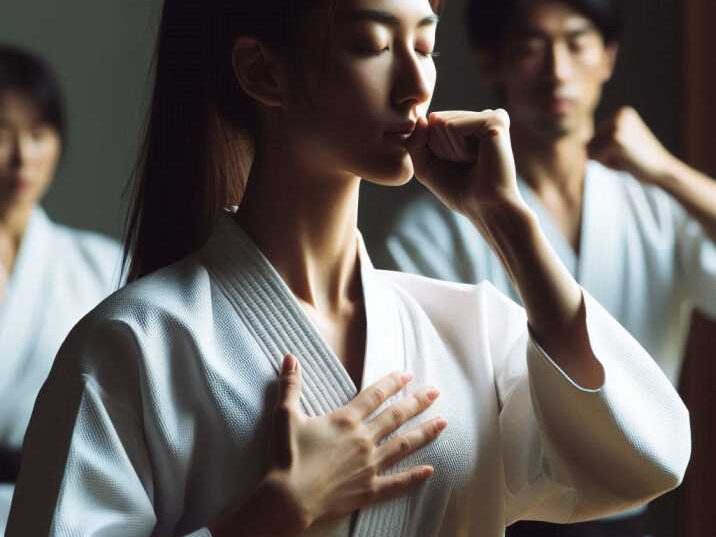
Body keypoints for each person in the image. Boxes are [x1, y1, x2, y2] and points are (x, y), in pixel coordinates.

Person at [7, 1, 690, 536]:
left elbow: (648, 460)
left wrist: (509, 225)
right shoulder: (136, 342)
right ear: (263, 72)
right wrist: (266, 518)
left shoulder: (470, 329)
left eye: (425, 43)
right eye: (374, 44)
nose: (417, 80)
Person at [374, 0, 716, 535]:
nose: (557, 69)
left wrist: (667, 171)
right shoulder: (433, 228)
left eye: (578, 43)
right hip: (505, 517)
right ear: (493, 64)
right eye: (531, 48)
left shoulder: (657, 206)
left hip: (634, 513)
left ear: (608, 57)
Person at [0, 44, 122, 532]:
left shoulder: (104, 267)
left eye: (38, 134)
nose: (21, 156)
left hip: (57, 516)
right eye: (2, 133)